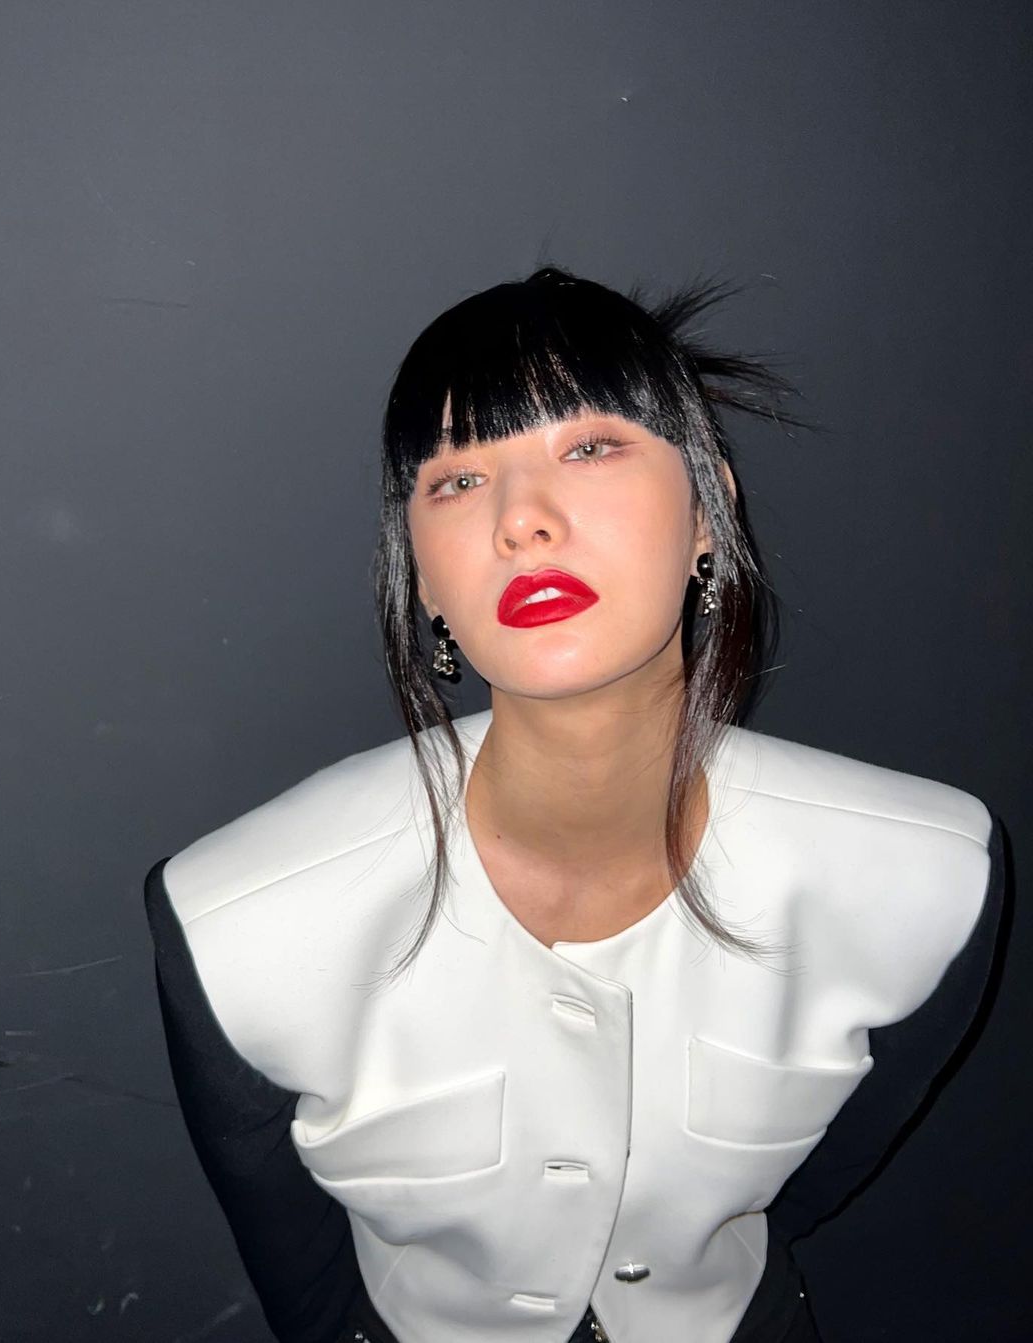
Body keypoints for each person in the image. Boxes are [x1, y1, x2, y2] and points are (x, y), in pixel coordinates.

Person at [143, 266, 1007, 1343]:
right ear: (421, 575)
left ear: (710, 509)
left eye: (591, 447)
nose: (523, 521)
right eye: (458, 479)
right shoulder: (239, 925)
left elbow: (827, 1171)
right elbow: (298, 1271)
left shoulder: (925, 880)